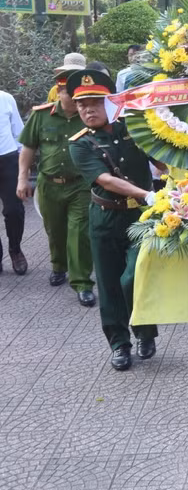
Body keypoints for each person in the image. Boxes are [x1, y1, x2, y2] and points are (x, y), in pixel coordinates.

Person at [67, 70, 162, 371]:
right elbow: (106, 180)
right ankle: (119, 344)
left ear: (110, 102)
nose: (88, 110)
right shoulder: (80, 144)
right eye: (82, 105)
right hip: (105, 218)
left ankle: (145, 332)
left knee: (134, 278)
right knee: (109, 286)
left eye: (95, 102)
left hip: (140, 218)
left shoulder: (135, 127)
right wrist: (147, 194)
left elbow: (162, 158)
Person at [16, 55, 95, 305]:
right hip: (49, 184)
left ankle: (82, 282)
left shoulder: (91, 115)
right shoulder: (41, 116)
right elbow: (28, 148)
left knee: (79, 231)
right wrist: (21, 179)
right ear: (59, 91)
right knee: (55, 230)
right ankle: (58, 265)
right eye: (67, 93)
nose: (74, 99)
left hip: (81, 184)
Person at [0, 87, 26, 275]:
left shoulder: (6, 98)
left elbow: (19, 131)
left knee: (14, 210)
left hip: (8, 159)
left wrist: (24, 165)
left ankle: (15, 250)